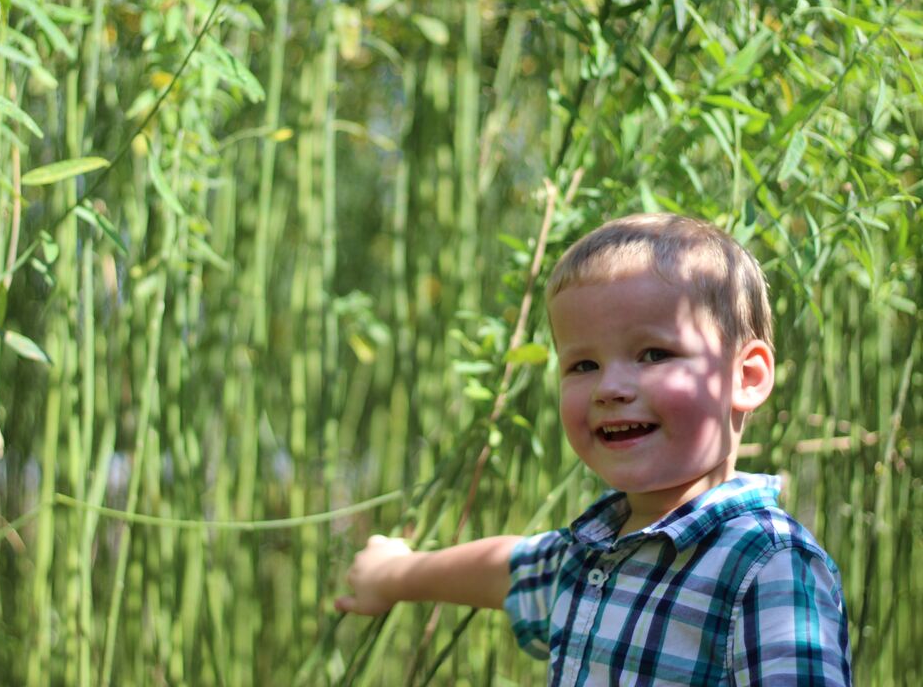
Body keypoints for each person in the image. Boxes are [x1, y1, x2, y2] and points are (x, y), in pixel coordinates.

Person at [334, 213, 852, 685]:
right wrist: (393, 574)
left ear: (746, 376)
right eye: (583, 365)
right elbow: (504, 569)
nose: (610, 388)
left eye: (653, 354)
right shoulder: (593, 556)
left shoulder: (767, 564)